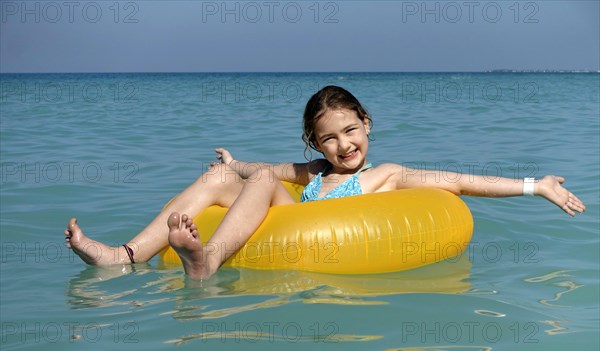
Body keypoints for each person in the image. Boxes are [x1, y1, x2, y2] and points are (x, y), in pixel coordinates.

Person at [65, 85, 586, 280]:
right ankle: (124, 256)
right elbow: (256, 173)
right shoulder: (313, 173)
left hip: (335, 247)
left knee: (265, 180)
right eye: (328, 139)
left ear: (368, 125)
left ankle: (208, 258)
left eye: (351, 130)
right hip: (292, 227)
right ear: (315, 145)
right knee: (227, 175)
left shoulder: (387, 176)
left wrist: (534, 185)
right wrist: (235, 161)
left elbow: (458, 181)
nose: (343, 145)